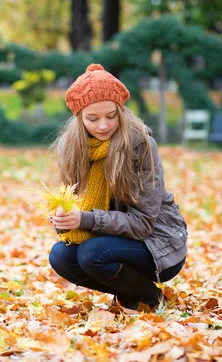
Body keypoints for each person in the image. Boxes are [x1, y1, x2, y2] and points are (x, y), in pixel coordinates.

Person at [48, 63, 188, 310]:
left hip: (158, 244)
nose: (103, 125)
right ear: (79, 118)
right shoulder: (69, 148)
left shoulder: (140, 144)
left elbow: (144, 223)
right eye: (93, 119)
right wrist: (64, 219)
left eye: (111, 116)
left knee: (92, 253)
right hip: (106, 241)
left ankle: (147, 295)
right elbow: (72, 203)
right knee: (60, 256)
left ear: (121, 112)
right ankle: (132, 292)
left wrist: (85, 220)